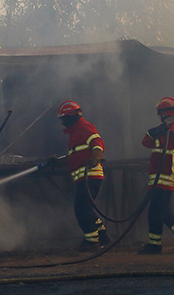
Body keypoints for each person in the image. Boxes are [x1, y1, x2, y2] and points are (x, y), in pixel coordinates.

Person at [138, 97, 174, 254]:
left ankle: (157, 244)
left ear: (163, 113)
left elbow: (145, 142)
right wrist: (156, 131)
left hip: (162, 178)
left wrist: (153, 132)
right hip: (166, 178)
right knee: (161, 210)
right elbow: (148, 143)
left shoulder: (168, 133)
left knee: (156, 212)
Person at [57, 100, 112, 251]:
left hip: (90, 176)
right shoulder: (75, 132)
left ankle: (91, 241)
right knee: (87, 208)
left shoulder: (84, 127)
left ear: (71, 116)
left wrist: (95, 157)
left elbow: (97, 142)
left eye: (64, 118)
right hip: (83, 177)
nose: (62, 122)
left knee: (81, 209)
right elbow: (76, 155)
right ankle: (103, 236)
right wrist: (57, 162)